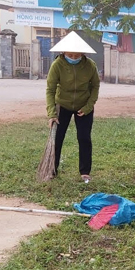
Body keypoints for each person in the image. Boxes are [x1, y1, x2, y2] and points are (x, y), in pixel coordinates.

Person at [45, 31, 100, 184]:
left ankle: (85, 172)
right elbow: (50, 90)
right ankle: (52, 170)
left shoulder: (90, 66)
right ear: (64, 53)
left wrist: (88, 106)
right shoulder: (57, 65)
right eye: (71, 55)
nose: (74, 58)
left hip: (83, 106)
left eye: (77, 56)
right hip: (62, 105)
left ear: (83, 54)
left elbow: (95, 86)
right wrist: (52, 114)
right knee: (57, 138)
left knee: (84, 138)